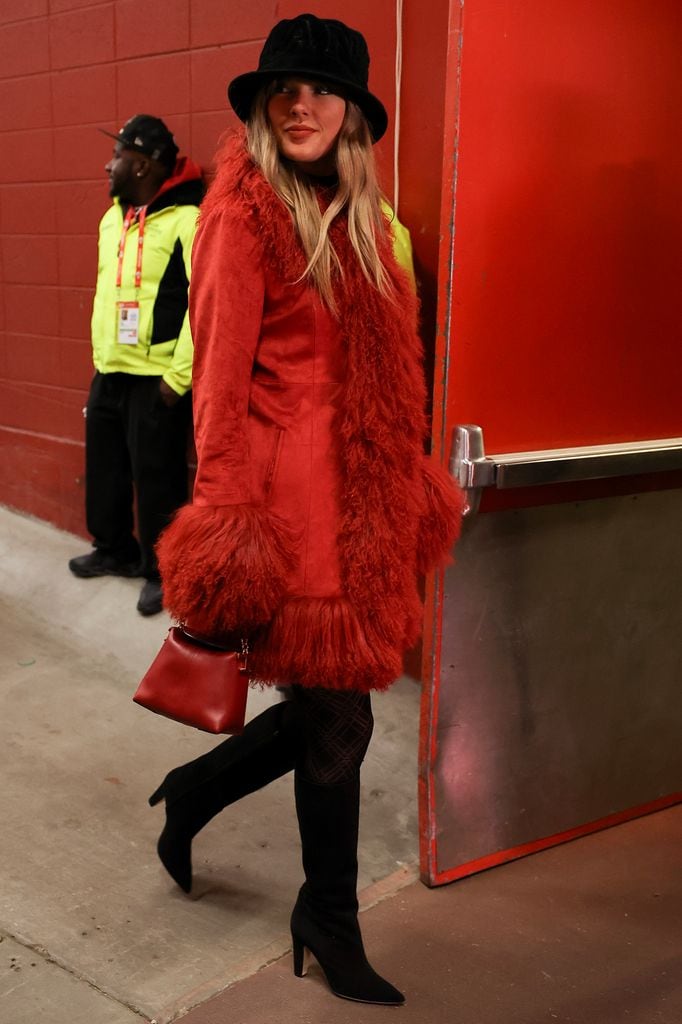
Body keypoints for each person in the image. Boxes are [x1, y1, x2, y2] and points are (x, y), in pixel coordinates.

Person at [149, 14, 463, 1006]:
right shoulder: (241, 215)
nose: (300, 104)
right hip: (282, 514)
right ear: (261, 104)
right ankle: (327, 914)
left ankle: (193, 794)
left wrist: (406, 476)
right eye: (283, 89)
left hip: (358, 507)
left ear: (353, 117)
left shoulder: (372, 224)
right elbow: (217, 385)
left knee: (331, 702)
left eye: (320, 91)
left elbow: (391, 378)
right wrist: (223, 522)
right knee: (340, 718)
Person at [68, 115, 204, 616]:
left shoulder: (189, 219)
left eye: (119, 155)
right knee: (103, 468)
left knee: (157, 478)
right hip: (111, 367)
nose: (110, 164)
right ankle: (114, 550)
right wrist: (101, 355)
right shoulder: (113, 217)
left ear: (143, 164)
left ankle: (160, 571)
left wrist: (177, 379)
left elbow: (203, 303)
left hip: (158, 377)